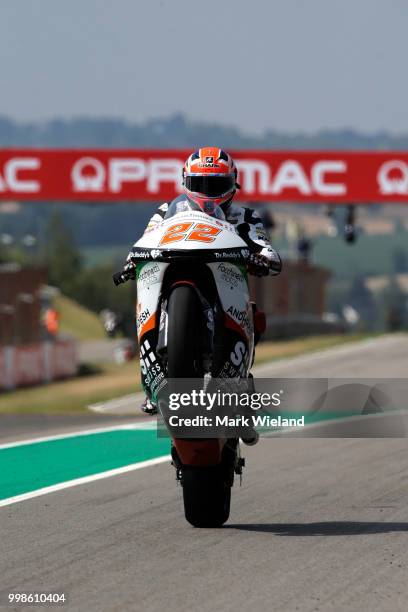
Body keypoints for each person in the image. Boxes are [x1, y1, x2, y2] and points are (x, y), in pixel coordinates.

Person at [125, 147, 282, 417]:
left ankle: (240, 384)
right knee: (143, 301)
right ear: (186, 183)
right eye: (200, 184)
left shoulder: (246, 217)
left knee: (253, 314)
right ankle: (155, 379)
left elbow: (266, 248)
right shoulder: (166, 211)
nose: (208, 193)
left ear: (233, 185)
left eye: (216, 185)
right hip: (175, 270)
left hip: (222, 278)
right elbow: (146, 239)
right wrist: (131, 261)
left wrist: (263, 259)